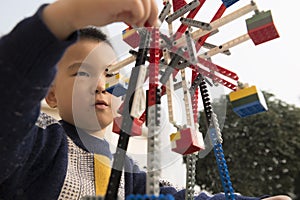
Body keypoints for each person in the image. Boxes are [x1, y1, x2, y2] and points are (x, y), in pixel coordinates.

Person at [0, 1, 292, 200]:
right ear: (50, 93)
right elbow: (11, 94)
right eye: (82, 73)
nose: (100, 85)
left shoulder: (129, 173)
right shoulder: (38, 143)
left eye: (109, 75)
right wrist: (63, 19)